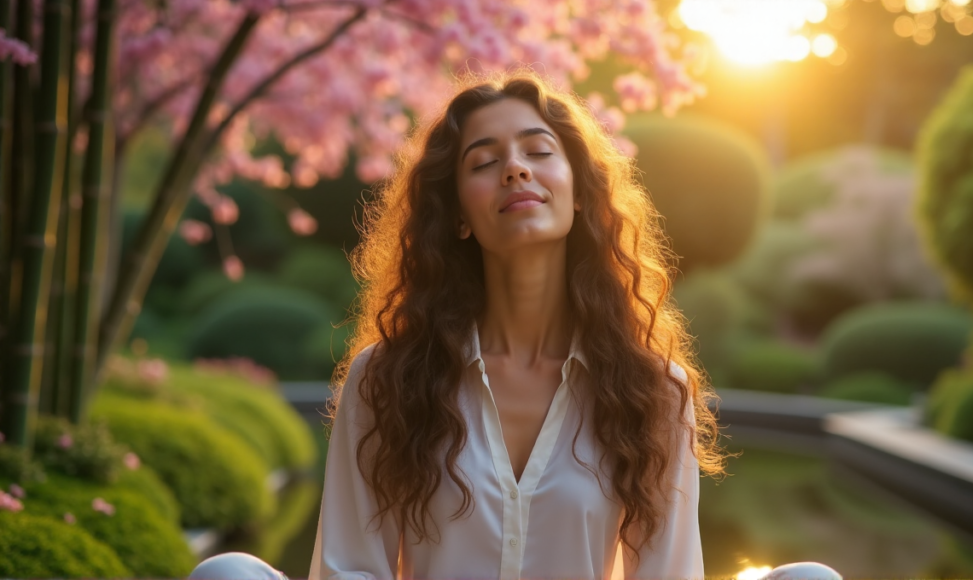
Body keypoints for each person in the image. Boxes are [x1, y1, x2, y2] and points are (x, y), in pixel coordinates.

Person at [188, 70, 842, 580]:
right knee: (228, 570)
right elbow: (351, 567)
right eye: (483, 161)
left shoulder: (654, 390)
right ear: (461, 214)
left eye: (538, 151)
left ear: (579, 191)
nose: (516, 168)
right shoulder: (387, 379)